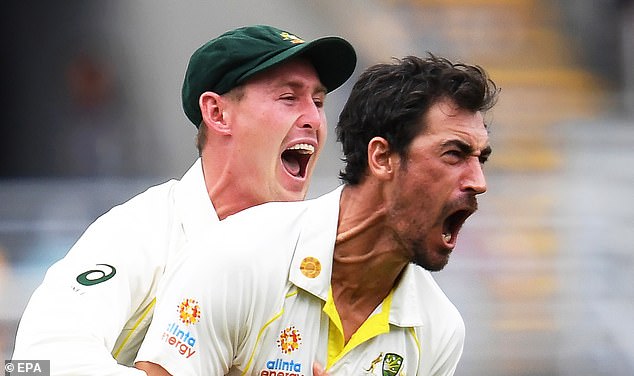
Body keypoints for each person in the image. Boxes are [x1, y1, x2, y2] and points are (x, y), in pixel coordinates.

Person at [11, 25, 356, 375]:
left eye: (318, 101)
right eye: (289, 98)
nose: (314, 119)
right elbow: (37, 364)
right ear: (217, 113)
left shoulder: (325, 259)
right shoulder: (141, 232)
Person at [133, 54, 499, 376]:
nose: (479, 182)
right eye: (454, 154)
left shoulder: (439, 330)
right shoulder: (238, 256)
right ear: (382, 158)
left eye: (480, 159)